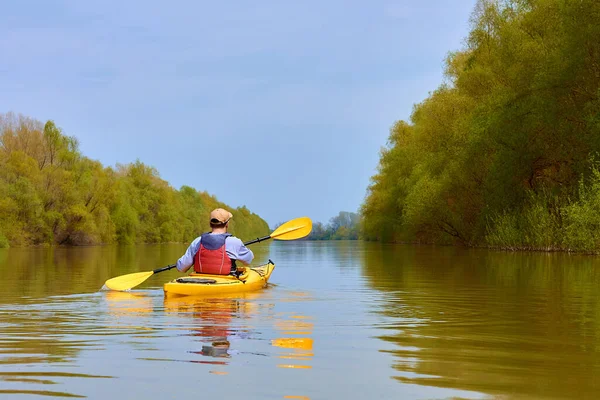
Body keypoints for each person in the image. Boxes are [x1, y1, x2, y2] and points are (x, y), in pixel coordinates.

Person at [176, 208, 254, 275]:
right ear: (227, 224)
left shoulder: (197, 241)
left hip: (199, 281)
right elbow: (248, 260)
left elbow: (181, 267)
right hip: (225, 283)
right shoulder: (234, 242)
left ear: (210, 224)